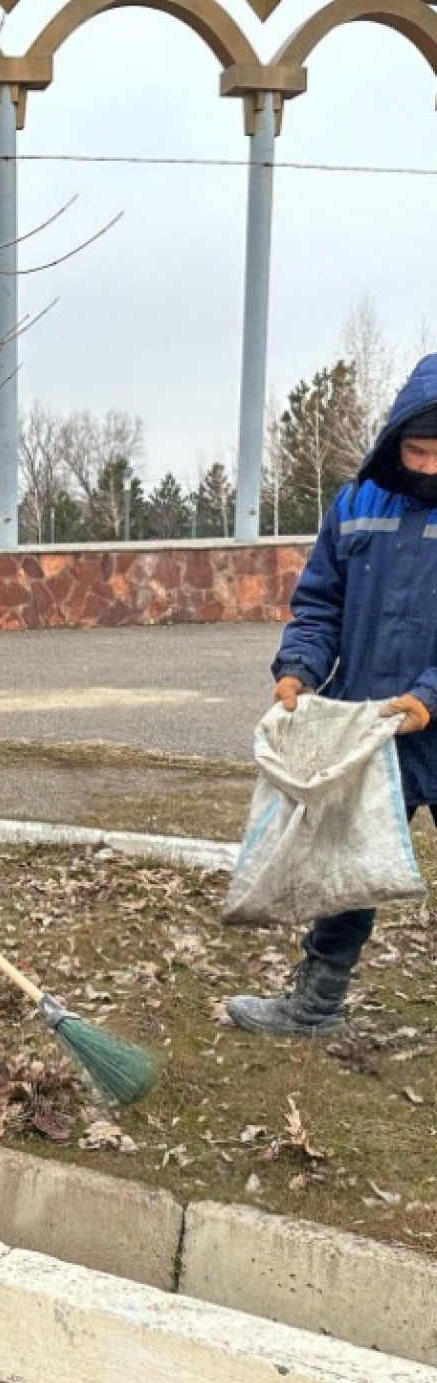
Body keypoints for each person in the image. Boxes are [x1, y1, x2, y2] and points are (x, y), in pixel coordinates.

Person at [226, 354, 437, 1037]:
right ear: (395, 441)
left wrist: (429, 693)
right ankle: (314, 1007)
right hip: (367, 727)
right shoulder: (354, 504)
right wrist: (299, 668)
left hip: (427, 715)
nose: (429, 466)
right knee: (347, 869)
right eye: (418, 450)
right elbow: (318, 603)